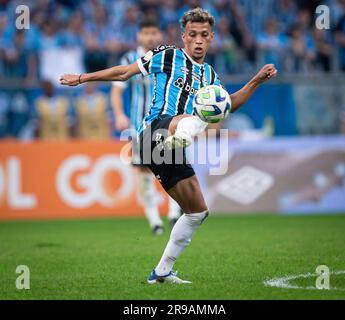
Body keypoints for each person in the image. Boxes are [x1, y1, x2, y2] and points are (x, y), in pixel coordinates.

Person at [60, 7, 277, 284]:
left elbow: (229, 104)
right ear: (184, 36)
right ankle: (183, 135)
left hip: (172, 147)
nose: (198, 40)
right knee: (194, 118)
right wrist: (82, 78)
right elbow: (125, 72)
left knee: (198, 212)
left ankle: (161, 272)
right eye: (193, 35)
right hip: (154, 131)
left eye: (204, 35)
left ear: (211, 39)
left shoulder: (209, 76)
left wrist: (256, 80)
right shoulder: (167, 55)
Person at [111, 18, 182, 235]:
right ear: (139, 36)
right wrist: (119, 114)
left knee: (174, 165)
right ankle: (154, 220)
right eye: (146, 33)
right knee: (144, 170)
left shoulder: (171, 57)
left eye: (154, 32)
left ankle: (173, 212)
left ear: (159, 35)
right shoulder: (129, 59)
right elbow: (117, 90)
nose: (150, 37)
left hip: (168, 124)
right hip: (138, 127)